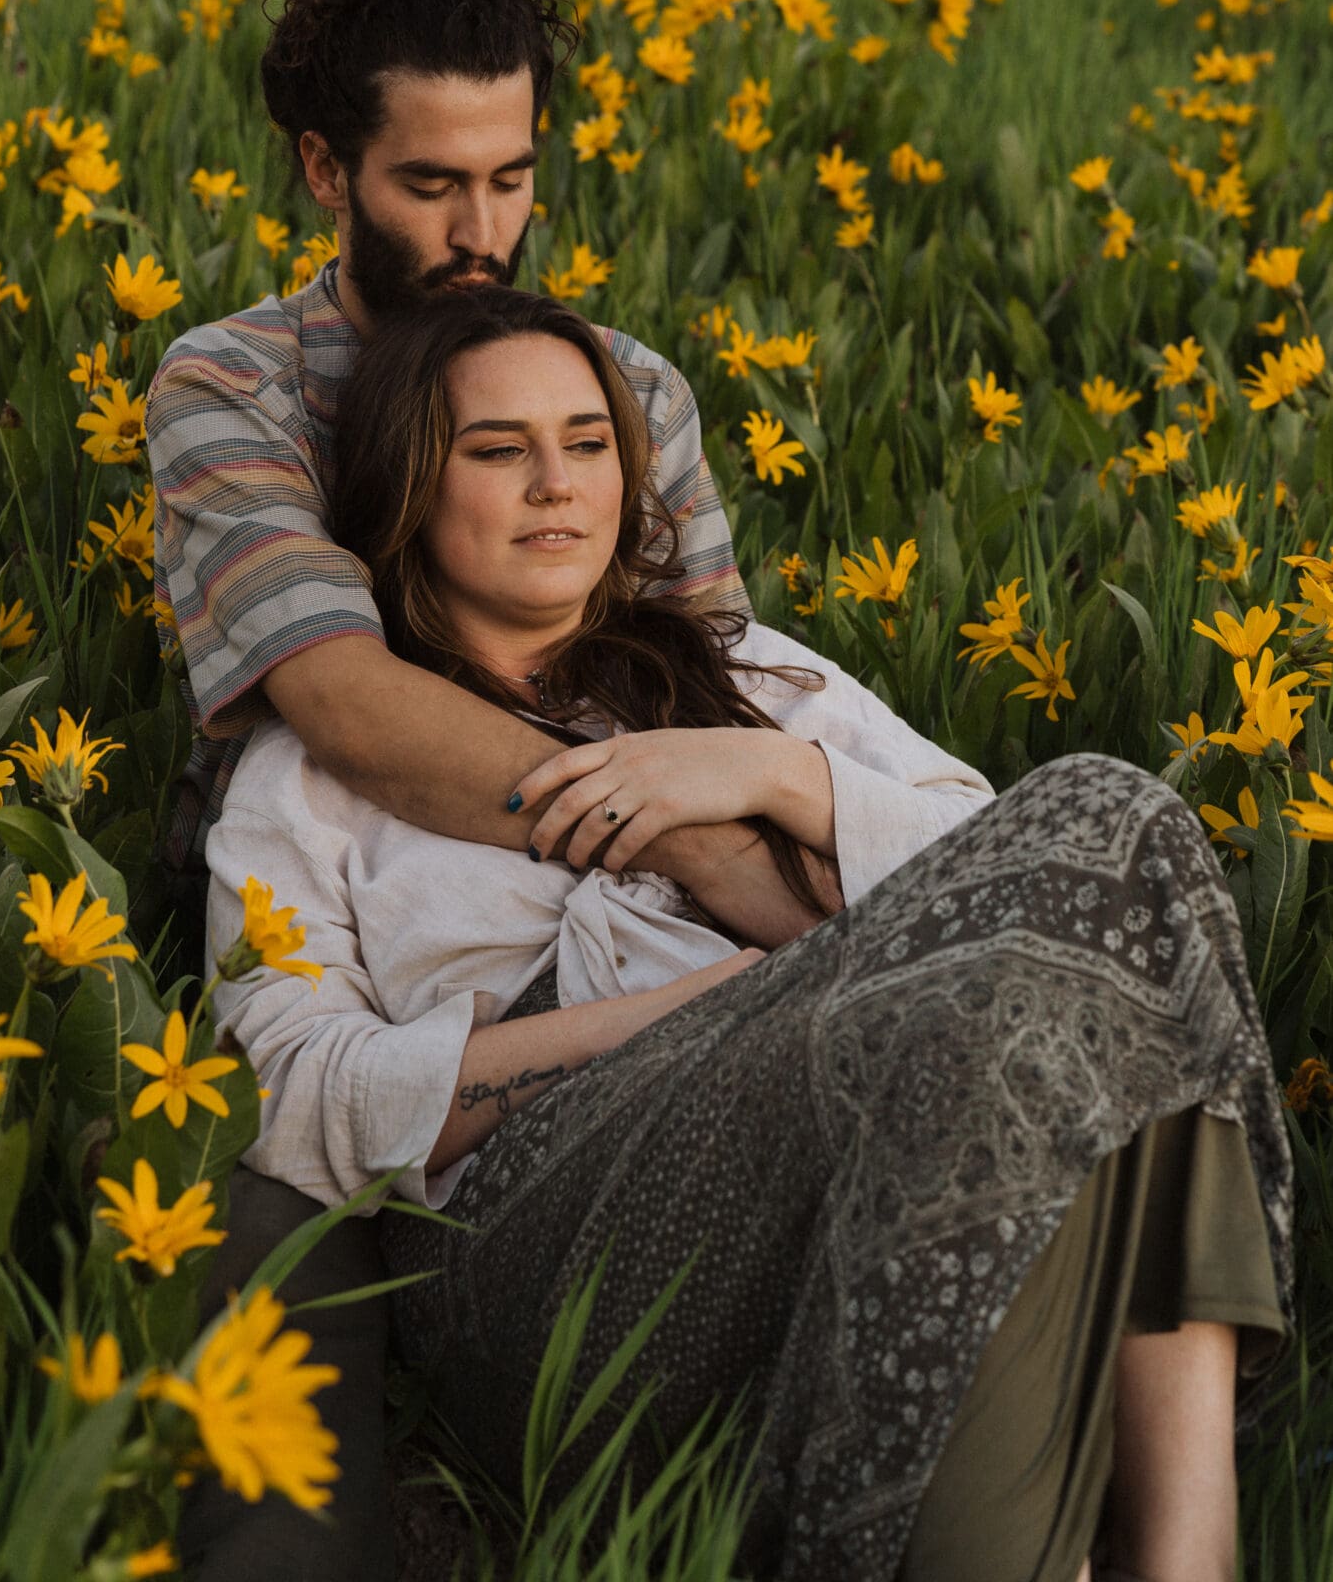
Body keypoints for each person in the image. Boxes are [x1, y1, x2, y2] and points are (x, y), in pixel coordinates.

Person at [205, 288, 1294, 1582]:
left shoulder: (757, 676)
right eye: (498, 451)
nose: (557, 484)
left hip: (854, 1142)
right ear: (408, 490)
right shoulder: (315, 775)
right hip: (542, 1253)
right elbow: (281, 1092)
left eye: (590, 442)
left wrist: (772, 779)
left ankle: (1179, 1554)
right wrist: (667, 1017)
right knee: (1034, 933)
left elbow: (1032, 871)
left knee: (1109, 837)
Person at [148, 0, 801, 1577]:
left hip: (640, 933)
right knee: (278, 1245)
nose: (483, 230)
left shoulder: (624, 388)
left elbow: (728, 694)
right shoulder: (233, 381)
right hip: (331, 903)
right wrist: (703, 852)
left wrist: (728, 855)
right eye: (434, 184)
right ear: (321, 167)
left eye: (511, 179)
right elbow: (347, 704)